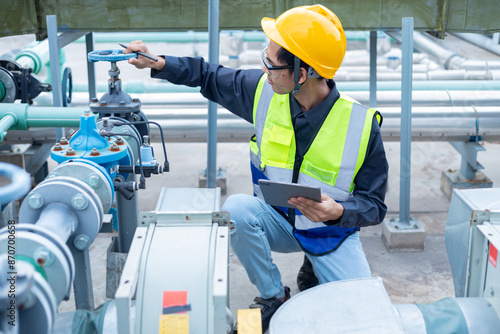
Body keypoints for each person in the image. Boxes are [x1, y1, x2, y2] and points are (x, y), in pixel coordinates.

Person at [125, 4, 388, 332]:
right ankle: (273, 296)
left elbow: (374, 206)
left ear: (302, 74)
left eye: (272, 63)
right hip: (277, 220)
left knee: (365, 317)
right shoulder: (266, 92)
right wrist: (159, 63)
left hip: (331, 234)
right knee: (235, 209)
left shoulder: (361, 127)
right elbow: (209, 76)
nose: (264, 68)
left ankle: (316, 267)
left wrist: (338, 212)